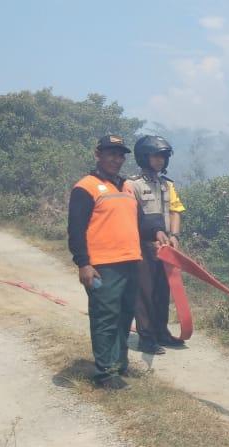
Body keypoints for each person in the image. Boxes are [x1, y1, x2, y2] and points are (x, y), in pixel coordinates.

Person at [66, 134, 143, 390]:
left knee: (125, 316)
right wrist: (83, 264)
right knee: (105, 318)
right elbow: (76, 230)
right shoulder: (85, 187)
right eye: (111, 154)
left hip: (131, 261)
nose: (116, 159)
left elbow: (139, 223)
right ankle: (105, 373)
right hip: (103, 266)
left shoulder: (127, 187)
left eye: (120, 155)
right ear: (98, 154)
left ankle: (119, 364)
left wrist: (157, 234)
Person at [126, 135, 187, 354]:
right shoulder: (132, 185)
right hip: (142, 246)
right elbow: (130, 216)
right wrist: (151, 234)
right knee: (144, 292)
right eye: (155, 156)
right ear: (144, 157)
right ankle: (146, 338)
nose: (160, 160)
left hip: (165, 247)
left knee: (163, 291)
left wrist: (175, 236)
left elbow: (175, 210)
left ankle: (162, 332)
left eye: (163, 157)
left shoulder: (166, 185)